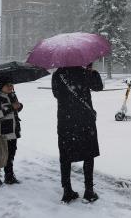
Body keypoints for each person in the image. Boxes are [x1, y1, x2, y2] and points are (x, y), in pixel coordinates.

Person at [51, 63, 103, 204]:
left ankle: (67, 190)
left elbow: (56, 94)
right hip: (85, 120)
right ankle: (89, 191)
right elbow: (99, 87)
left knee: (65, 156)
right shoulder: (85, 73)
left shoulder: (57, 75)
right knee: (88, 154)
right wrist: (92, 72)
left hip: (65, 121)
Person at [0, 76, 23, 187]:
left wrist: (19, 106)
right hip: (3, 132)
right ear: (1, 86)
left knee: (11, 155)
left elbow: (16, 108)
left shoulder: (12, 95)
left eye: (11, 85)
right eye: (8, 85)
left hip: (14, 130)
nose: (10, 87)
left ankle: (9, 177)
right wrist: (10, 107)